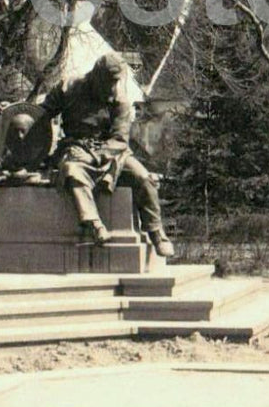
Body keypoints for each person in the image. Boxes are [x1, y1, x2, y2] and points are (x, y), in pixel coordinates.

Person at [36, 53, 173, 257]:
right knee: (72, 171)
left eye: (115, 81)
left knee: (144, 178)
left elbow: (119, 139)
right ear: (96, 76)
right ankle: (95, 224)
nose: (111, 87)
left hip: (112, 153)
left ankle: (156, 232)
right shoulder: (69, 87)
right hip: (76, 147)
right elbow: (41, 114)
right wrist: (17, 114)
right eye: (108, 81)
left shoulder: (120, 102)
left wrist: (98, 154)